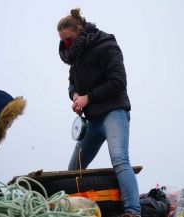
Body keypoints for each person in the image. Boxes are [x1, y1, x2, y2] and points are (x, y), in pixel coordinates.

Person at [57, 8, 141, 217]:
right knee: (74, 168)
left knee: (120, 159)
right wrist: (75, 95)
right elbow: (72, 83)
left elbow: (118, 82)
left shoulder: (106, 46)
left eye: (69, 39)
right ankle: (73, 211)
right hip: (92, 120)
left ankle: (133, 211)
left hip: (114, 113)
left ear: (80, 31)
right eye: (62, 41)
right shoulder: (76, 56)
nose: (66, 45)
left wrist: (89, 98)